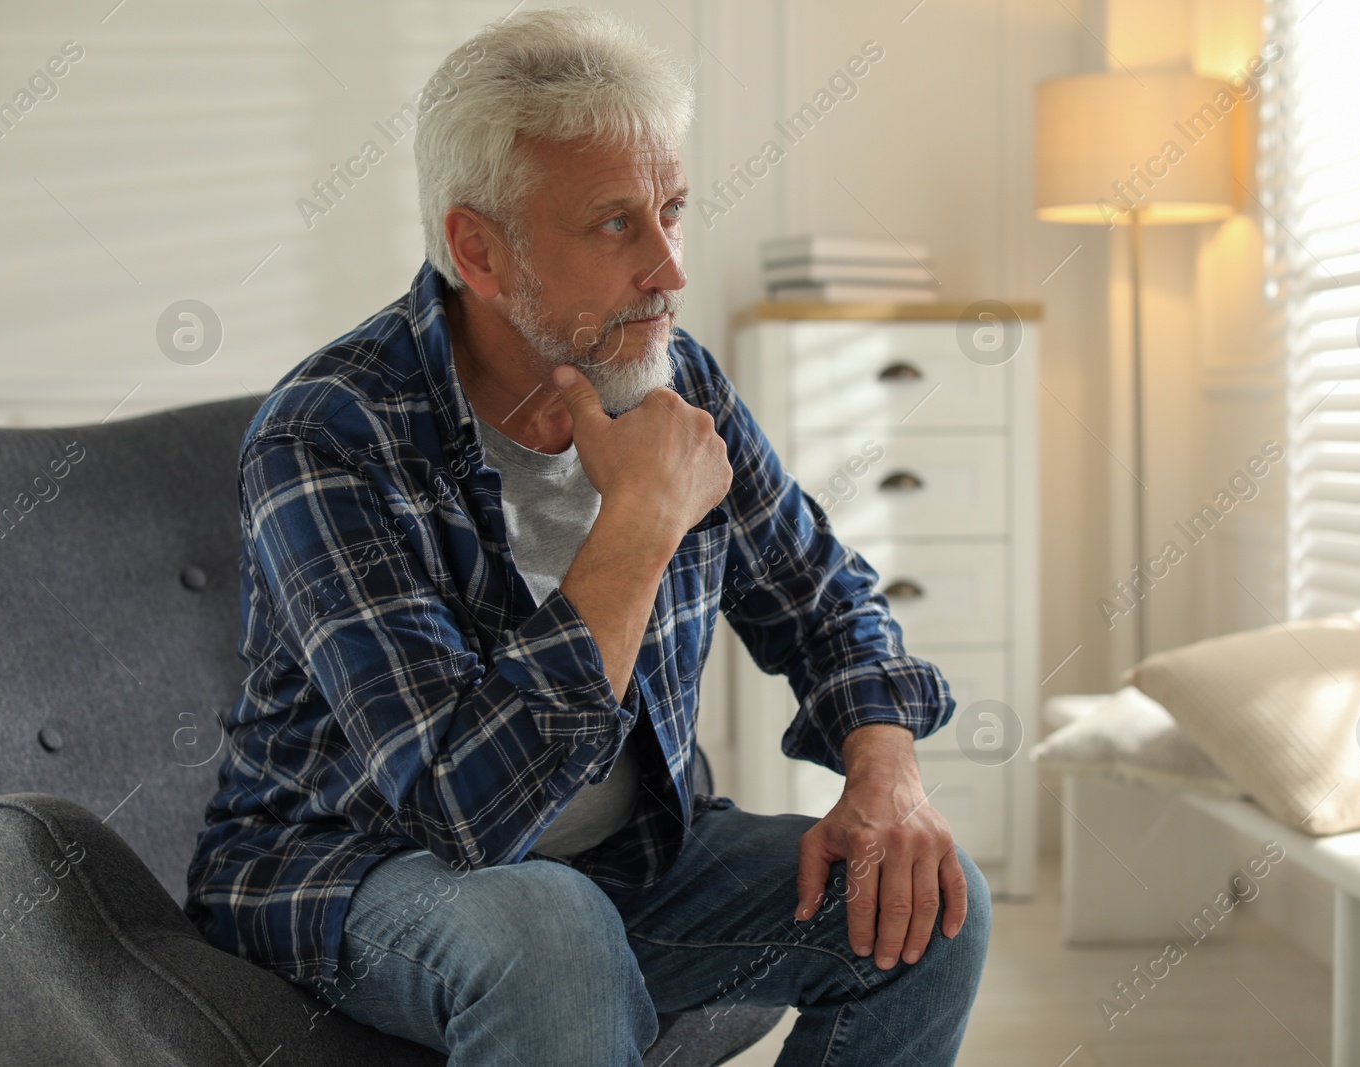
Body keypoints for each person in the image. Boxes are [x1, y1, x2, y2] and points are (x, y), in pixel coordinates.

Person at [184, 8, 990, 1065]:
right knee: (547, 930)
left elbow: (825, 598)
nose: (669, 267)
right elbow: (468, 813)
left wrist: (886, 772)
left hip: (626, 863)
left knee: (933, 900)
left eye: (673, 210)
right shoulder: (328, 437)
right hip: (352, 874)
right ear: (479, 247)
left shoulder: (678, 377)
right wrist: (642, 522)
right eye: (615, 223)